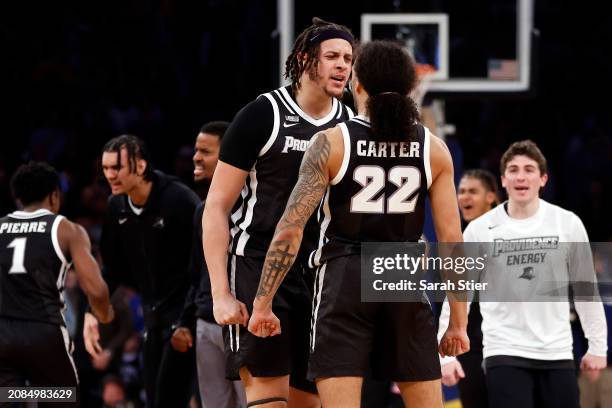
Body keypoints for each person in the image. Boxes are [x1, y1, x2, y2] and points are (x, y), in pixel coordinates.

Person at [248, 40, 469, 408]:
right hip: (402, 270)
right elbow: (452, 241)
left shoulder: (332, 141)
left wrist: (262, 302)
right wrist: (458, 323)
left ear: (357, 85)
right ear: (411, 88)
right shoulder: (433, 148)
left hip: (344, 271)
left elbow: (290, 228)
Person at [202, 17, 356, 407]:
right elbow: (216, 206)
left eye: (348, 59)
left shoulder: (350, 123)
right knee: (267, 396)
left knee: (309, 399)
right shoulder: (262, 114)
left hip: (318, 270)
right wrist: (220, 293)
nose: (342, 66)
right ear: (305, 59)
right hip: (256, 261)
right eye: (332, 57)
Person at [438, 140, 608, 408]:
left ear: (543, 179)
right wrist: (446, 354)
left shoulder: (568, 223)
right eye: (513, 170)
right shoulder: (480, 230)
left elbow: (586, 290)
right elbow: (458, 294)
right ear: (503, 180)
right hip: (504, 352)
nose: (521, 176)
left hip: (558, 352)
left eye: (529, 169)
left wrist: (598, 346)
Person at [85, 134, 200, 407]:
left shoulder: (179, 199)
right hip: (152, 317)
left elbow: (205, 262)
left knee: (173, 398)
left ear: (140, 166)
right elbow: (111, 269)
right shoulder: (116, 206)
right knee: (154, 400)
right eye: (106, 168)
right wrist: (92, 311)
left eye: (117, 168)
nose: (110, 175)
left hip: (187, 314)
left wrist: (189, 319)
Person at [0, 162, 114, 402]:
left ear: (17, 197)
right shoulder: (66, 229)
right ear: (54, 196)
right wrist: (103, 315)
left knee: (7, 397)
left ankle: (22, 398)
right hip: (44, 332)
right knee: (62, 397)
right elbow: (96, 290)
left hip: (3, 334)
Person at [170, 121, 247, 407]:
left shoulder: (257, 203)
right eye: (195, 150)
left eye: (205, 150)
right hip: (206, 320)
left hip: (246, 319)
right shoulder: (202, 210)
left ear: (228, 154)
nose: (195, 157)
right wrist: (185, 321)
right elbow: (196, 273)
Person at [443, 169, 499, 408]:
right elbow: (452, 298)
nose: (465, 197)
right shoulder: (460, 238)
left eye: (473, 191)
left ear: (491, 197)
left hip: (506, 344)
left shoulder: (508, 233)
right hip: (471, 346)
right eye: (461, 191)